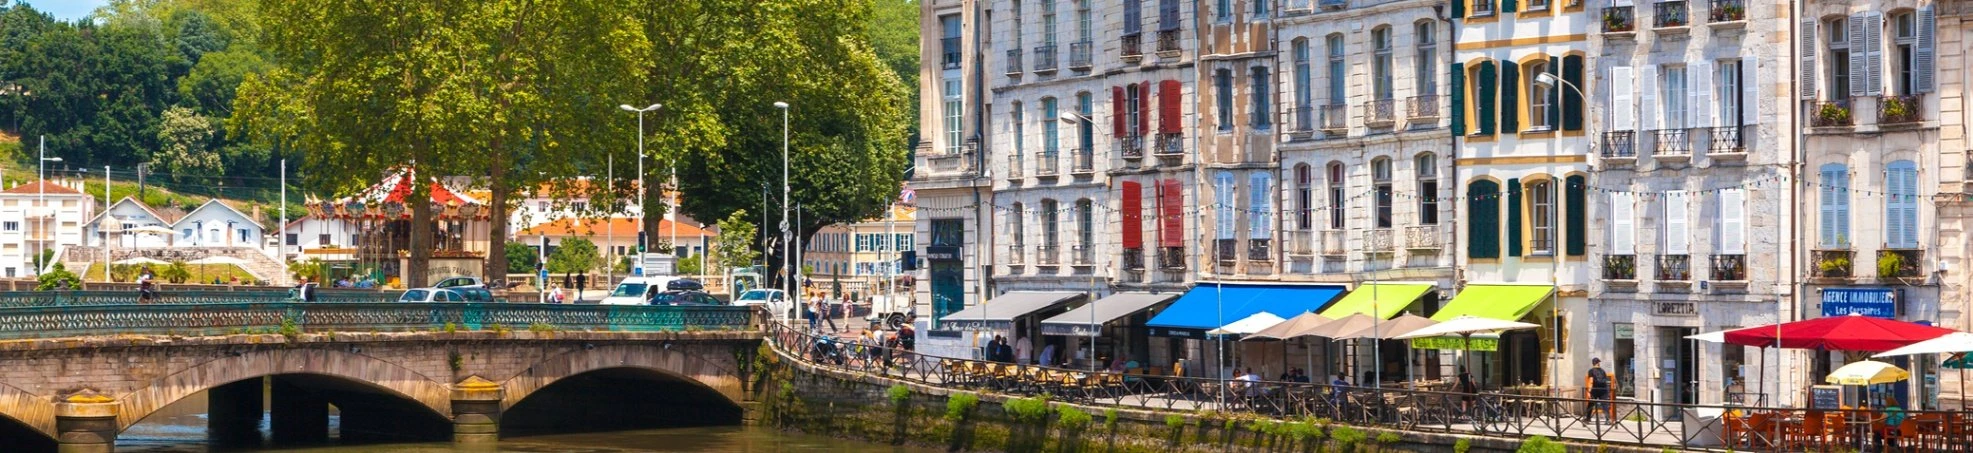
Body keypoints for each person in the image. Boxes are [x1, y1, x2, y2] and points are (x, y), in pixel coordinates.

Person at [1584, 357, 1615, 422]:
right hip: (1603, 390)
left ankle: (1588, 418)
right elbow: (1605, 380)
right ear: (1598, 363)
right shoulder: (1603, 371)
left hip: (1595, 389)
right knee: (1604, 404)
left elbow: (1591, 381)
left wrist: (1588, 391)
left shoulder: (1591, 371)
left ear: (1593, 363)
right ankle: (1608, 419)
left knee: (1591, 404)